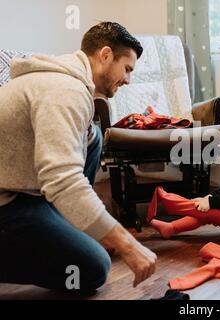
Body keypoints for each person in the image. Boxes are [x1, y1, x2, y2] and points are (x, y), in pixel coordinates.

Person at [0, 22, 157, 292]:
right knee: (91, 268)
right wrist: (127, 244)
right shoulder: (66, 92)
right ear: (105, 55)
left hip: (23, 187)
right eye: (127, 69)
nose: (128, 80)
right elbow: (63, 180)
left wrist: (95, 225)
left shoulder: (71, 84)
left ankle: (68, 227)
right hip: (7, 201)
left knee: (92, 136)